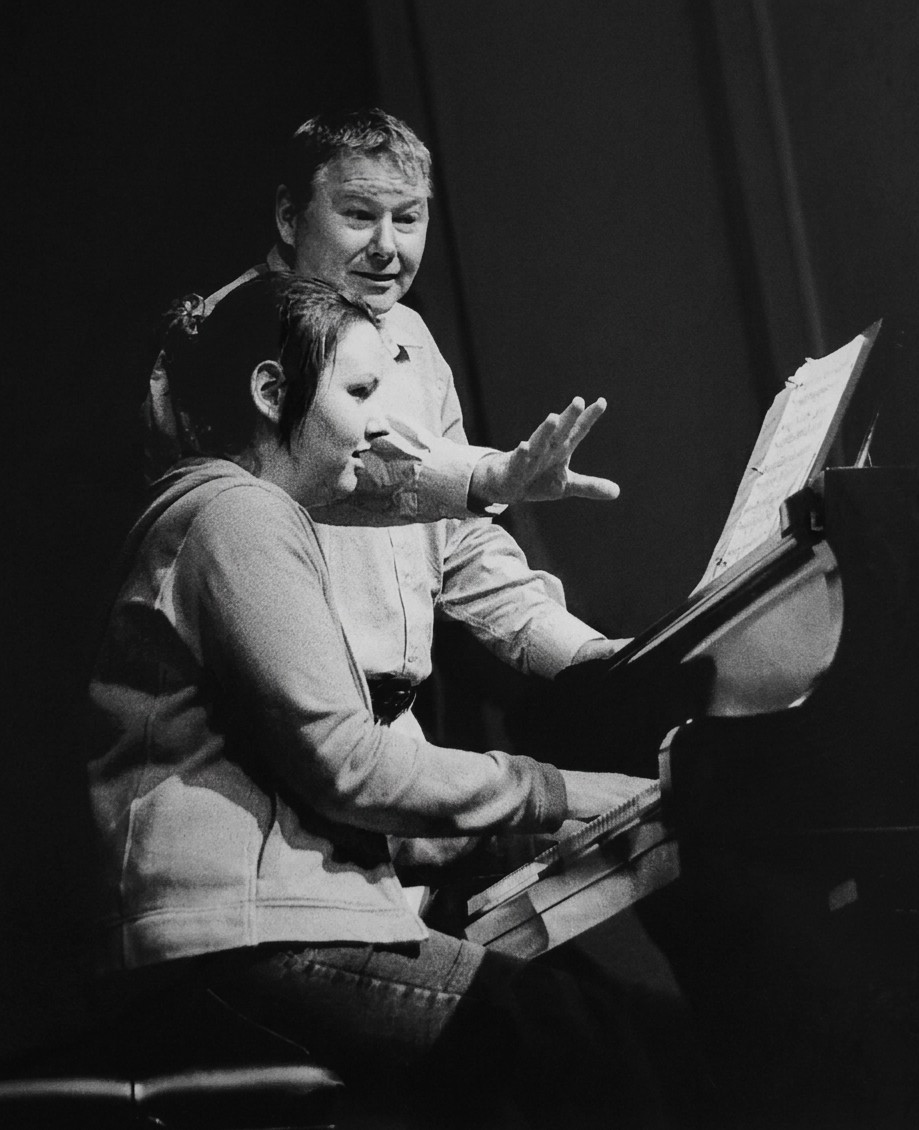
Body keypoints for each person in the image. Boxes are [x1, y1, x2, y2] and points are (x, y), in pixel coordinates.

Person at [84, 272, 675, 1129]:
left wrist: (497, 829)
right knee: (584, 1038)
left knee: (572, 1029)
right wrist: (569, 792)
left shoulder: (228, 511)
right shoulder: (237, 517)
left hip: (241, 935)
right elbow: (351, 764)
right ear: (270, 391)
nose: (376, 424)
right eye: (360, 392)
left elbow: (286, 773)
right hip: (227, 947)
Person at [143, 110, 627, 795]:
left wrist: (585, 656)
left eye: (408, 219)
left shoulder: (411, 336)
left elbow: (457, 545)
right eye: (359, 215)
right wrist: (486, 476)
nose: (386, 247)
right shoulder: (229, 337)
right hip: (261, 750)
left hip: (388, 736)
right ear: (289, 216)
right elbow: (320, 480)